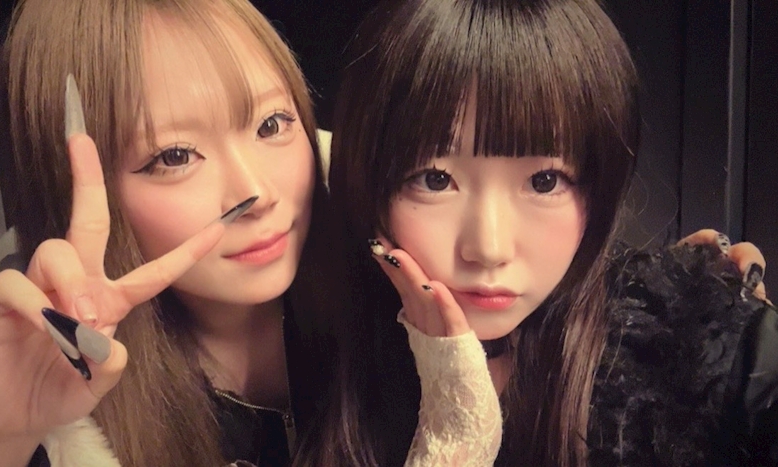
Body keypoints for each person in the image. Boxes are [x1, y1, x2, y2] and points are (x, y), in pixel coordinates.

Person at [0, 0, 504, 465]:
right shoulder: (53, 402)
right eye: (175, 156)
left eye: (271, 124)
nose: (256, 192)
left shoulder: (406, 293)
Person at [325, 0, 778, 465]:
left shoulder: (701, 356)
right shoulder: (319, 353)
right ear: (369, 184)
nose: (489, 248)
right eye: (435, 180)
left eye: (544, 181)